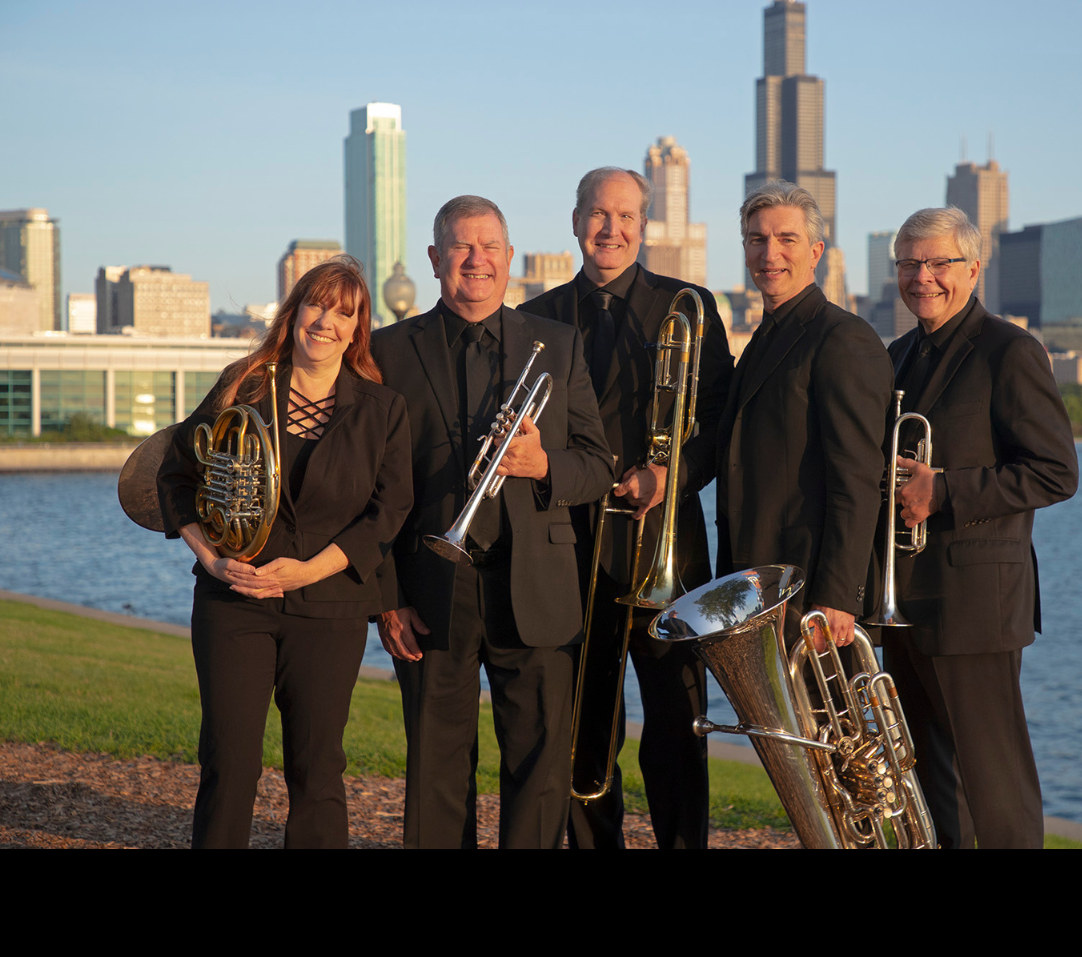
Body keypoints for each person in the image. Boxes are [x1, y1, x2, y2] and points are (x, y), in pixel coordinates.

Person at [373, 195, 615, 848]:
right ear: (434, 259)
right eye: (460, 246)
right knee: (435, 767)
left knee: (538, 770)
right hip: (430, 592)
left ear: (509, 260)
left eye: (489, 247)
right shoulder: (387, 351)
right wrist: (388, 599)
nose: (475, 260)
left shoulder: (558, 346)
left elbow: (597, 466)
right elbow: (374, 493)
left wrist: (543, 464)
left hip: (536, 584)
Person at [156, 255, 413, 849]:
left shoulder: (383, 411)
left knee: (318, 767)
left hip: (327, 606)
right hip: (233, 599)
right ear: (294, 312)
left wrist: (305, 571)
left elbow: (388, 514)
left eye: (343, 313)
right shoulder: (244, 383)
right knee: (230, 762)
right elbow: (175, 478)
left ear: (356, 330)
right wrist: (210, 558)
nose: (325, 321)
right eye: (316, 305)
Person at [519, 166, 733, 850]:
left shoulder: (688, 304)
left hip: (666, 546)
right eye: (597, 214)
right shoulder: (539, 317)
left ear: (645, 227)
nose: (610, 229)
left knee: (676, 727)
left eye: (625, 217)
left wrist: (672, 476)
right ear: (576, 218)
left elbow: (721, 426)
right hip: (571, 548)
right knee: (586, 734)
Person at [878, 206, 1079, 849]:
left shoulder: (1009, 350)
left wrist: (946, 489)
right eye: (909, 263)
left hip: (976, 600)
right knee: (933, 779)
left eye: (939, 263)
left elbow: (1055, 472)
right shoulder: (898, 354)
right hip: (906, 596)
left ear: (974, 268)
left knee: (994, 785)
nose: (923, 277)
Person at [716, 180, 890, 654]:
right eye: (757, 240)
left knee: (823, 730)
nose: (770, 253)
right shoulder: (762, 340)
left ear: (815, 252)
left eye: (786, 239)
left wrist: (837, 594)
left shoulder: (843, 338)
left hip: (813, 596)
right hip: (760, 590)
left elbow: (857, 479)